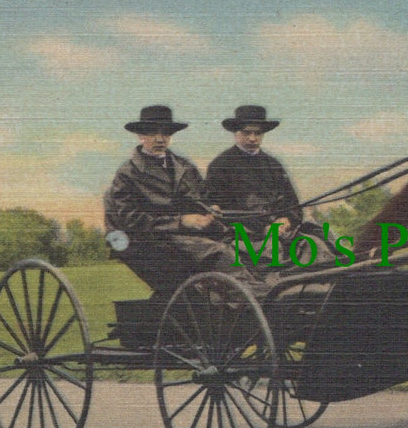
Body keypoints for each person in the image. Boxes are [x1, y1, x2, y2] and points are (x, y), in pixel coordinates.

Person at [104, 105, 271, 298]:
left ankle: (258, 290)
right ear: (140, 135)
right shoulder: (128, 173)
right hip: (151, 240)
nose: (160, 139)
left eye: (165, 133)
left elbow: (202, 197)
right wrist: (182, 221)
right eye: (152, 133)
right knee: (218, 252)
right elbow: (129, 220)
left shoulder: (184, 166)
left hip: (191, 234)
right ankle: (257, 296)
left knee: (248, 243)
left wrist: (210, 209)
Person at [205, 105, 303, 238]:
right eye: (246, 132)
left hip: (280, 231)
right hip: (240, 233)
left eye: (258, 133)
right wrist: (262, 228)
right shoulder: (220, 166)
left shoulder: (274, 165)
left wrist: (285, 221)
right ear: (236, 133)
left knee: (318, 244)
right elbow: (219, 210)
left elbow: (292, 203)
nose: (252, 138)